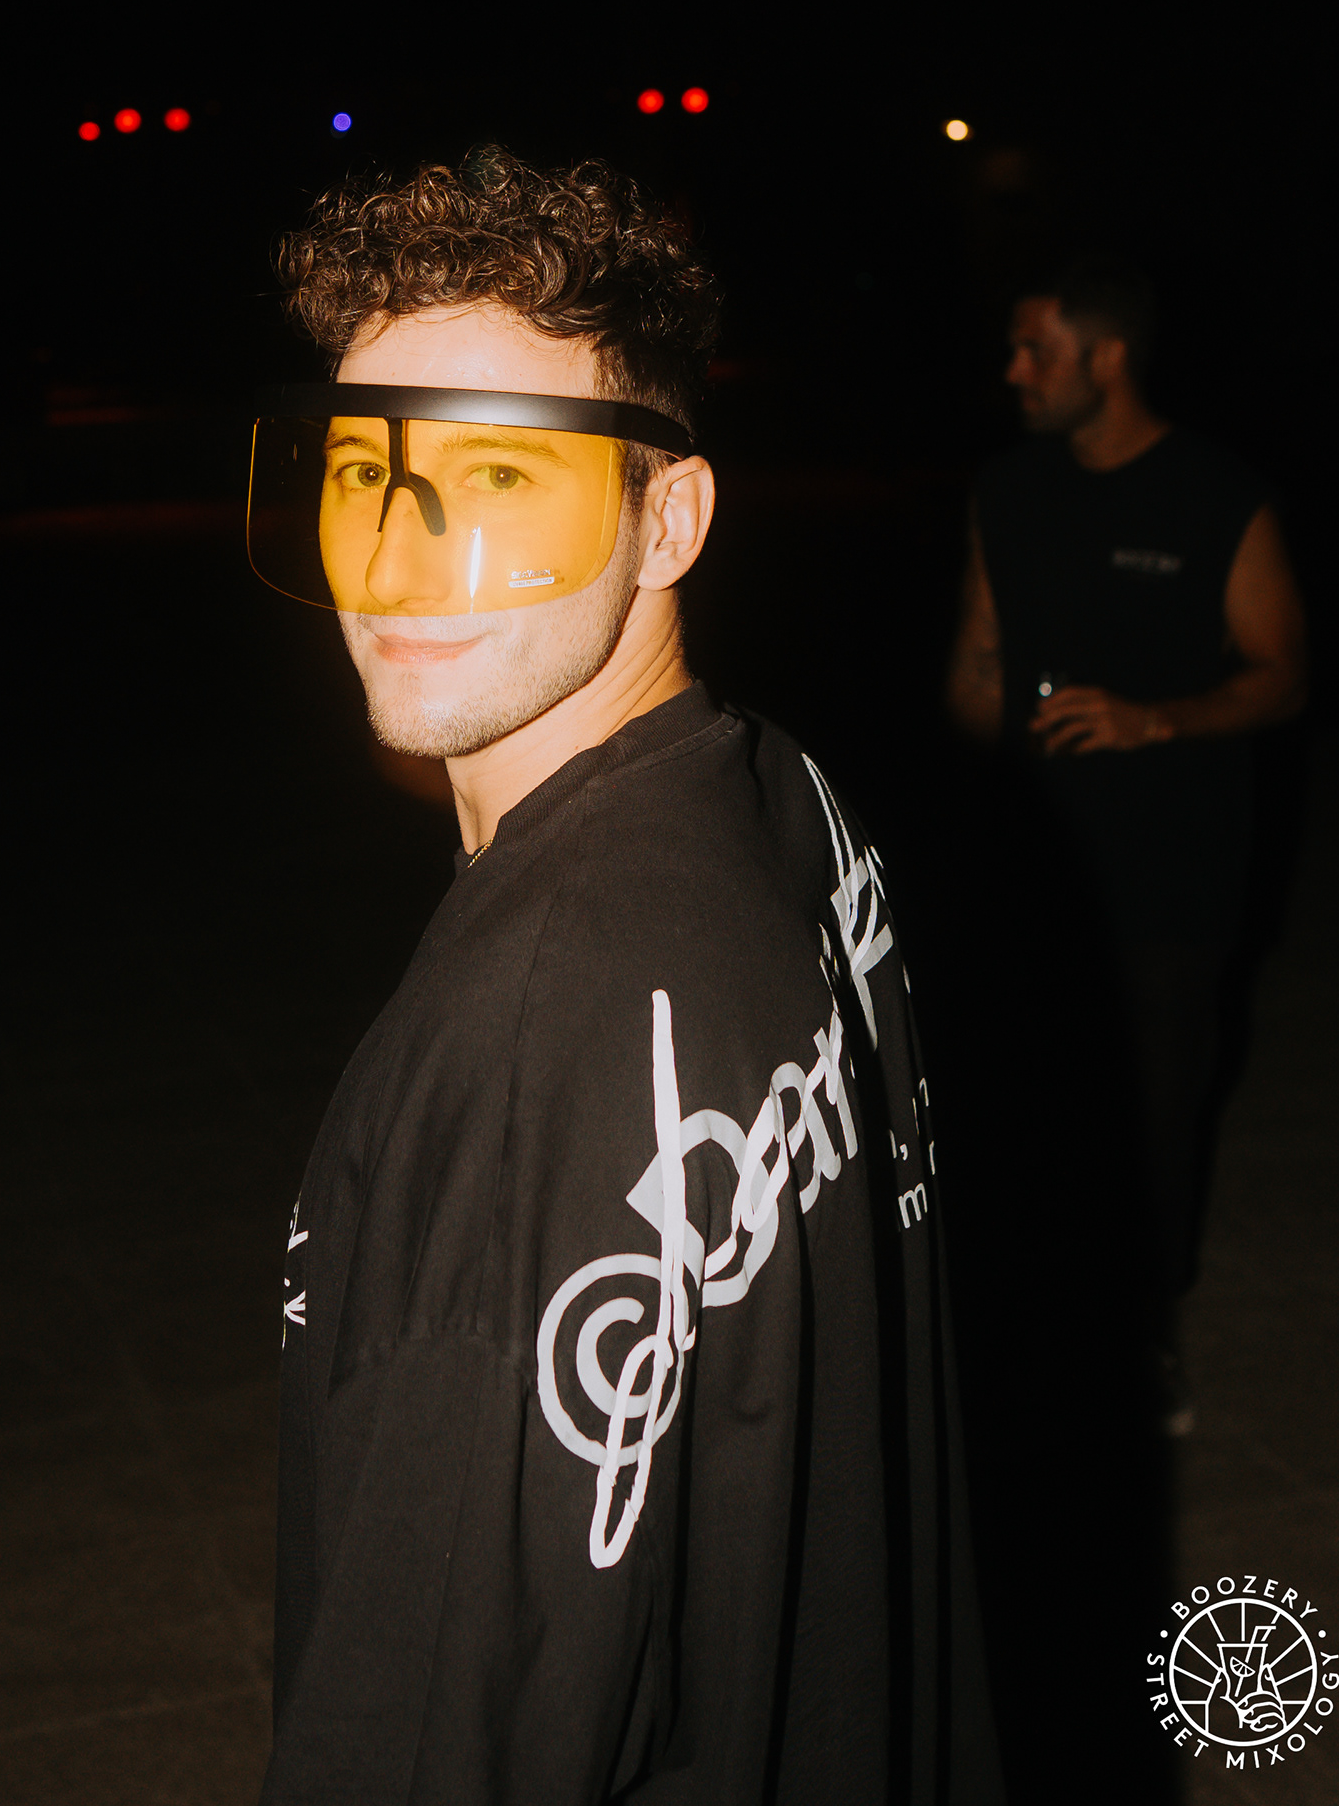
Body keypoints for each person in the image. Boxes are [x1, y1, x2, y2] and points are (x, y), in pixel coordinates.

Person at [252, 144, 1004, 1804]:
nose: (402, 554)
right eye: (363, 469)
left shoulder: (545, 1031)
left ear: (669, 519)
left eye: (499, 476)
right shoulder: (771, 789)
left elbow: (448, 1723)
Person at [946, 257, 1308, 1411]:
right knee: (1024, 1103)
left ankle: (1143, 1333)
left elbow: (1284, 673)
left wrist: (1157, 719)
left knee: (1152, 1107)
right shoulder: (1007, 487)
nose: (1014, 370)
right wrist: (949, 795)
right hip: (1032, 862)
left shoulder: (1215, 494)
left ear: (1106, 357)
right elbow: (981, 656)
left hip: (1171, 868)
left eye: (1036, 350)